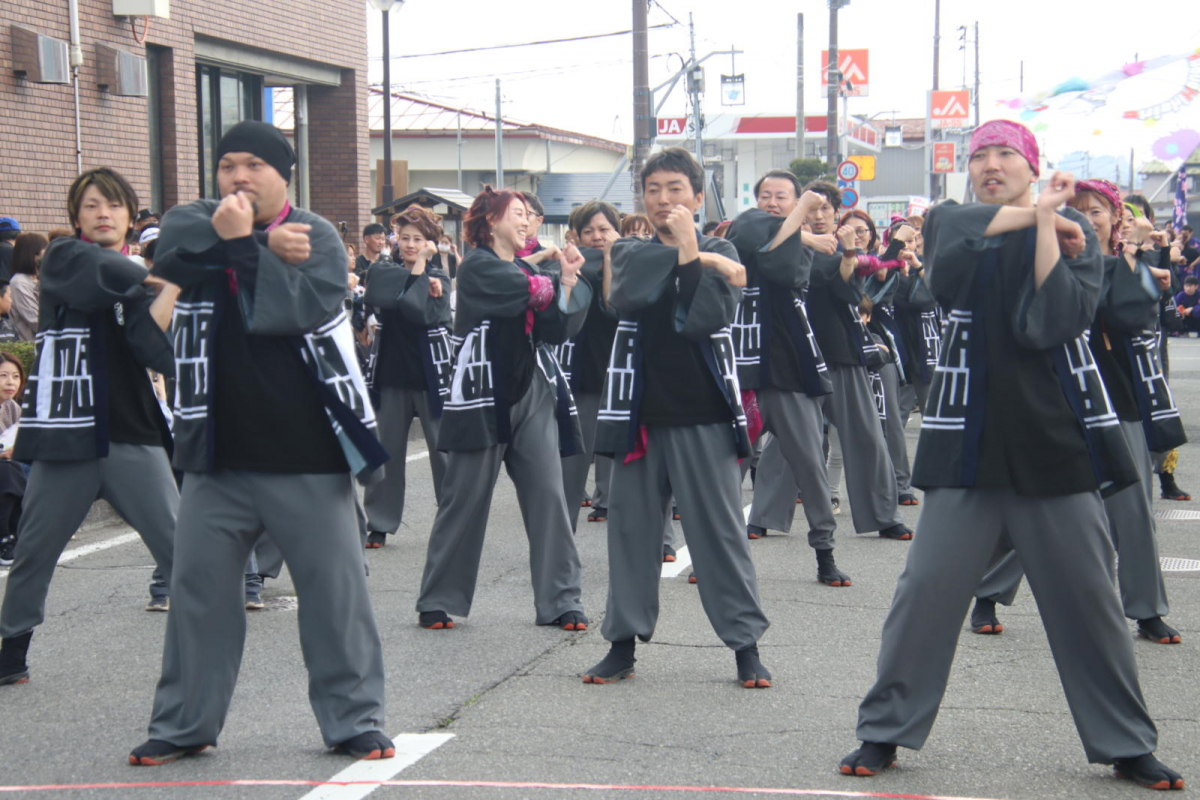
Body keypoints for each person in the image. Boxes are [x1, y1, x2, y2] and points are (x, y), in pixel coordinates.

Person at [840, 120, 1184, 792]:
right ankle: (884, 730)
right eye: (980, 156)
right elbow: (945, 261)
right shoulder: (952, 221)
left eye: (1007, 155)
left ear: (1033, 165)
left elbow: (1047, 323)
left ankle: (1125, 742)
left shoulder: (1078, 242)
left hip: (1057, 440)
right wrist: (1034, 215)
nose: (991, 164)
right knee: (925, 592)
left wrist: (1050, 234)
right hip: (966, 441)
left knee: (1089, 601)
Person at [130, 120, 393, 766]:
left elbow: (294, 311)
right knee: (198, 595)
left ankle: (354, 719)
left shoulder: (321, 237)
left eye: (253, 165)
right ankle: (185, 722)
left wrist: (241, 248)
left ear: (285, 175)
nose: (238, 177)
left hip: (306, 450)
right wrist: (249, 241)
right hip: (213, 455)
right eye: (227, 165)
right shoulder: (200, 220)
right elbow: (170, 250)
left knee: (334, 594)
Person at [583, 147, 771, 689]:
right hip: (638, 415)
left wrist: (697, 250)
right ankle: (621, 645)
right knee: (631, 533)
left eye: (674, 189)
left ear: (695, 193)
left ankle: (745, 648)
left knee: (718, 534)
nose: (663, 199)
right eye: (653, 190)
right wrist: (703, 263)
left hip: (703, 415)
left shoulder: (721, 243)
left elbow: (705, 318)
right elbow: (627, 296)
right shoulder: (633, 250)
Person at [0, 167, 178, 687]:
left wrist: (170, 291)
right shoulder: (63, 258)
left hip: (131, 431)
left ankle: (205, 638)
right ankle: (12, 652)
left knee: (178, 546)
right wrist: (158, 274)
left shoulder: (136, 278)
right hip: (67, 433)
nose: (104, 213)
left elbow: (153, 350)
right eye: (92, 205)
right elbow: (102, 275)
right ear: (76, 216)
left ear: (129, 214)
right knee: (36, 547)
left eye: (114, 205)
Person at [415, 186, 590, 632]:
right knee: (465, 497)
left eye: (531, 215)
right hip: (481, 390)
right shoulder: (476, 264)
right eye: (517, 213)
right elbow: (520, 289)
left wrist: (568, 282)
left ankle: (561, 600)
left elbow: (557, 326)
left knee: (548, 494)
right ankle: (438, 598)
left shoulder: (524, 266)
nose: (527, 221)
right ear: (491, 220)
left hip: (532, 387)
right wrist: (556, 281)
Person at [725, 170, 850, 585]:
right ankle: (718, 554)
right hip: (742, 366)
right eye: (766, 195)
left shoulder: (803, 248)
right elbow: (751, 238)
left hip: (790, 368)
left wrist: (802, 237)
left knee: (810, 465)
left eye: (783, 196)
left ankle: (825, 553)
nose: (772, 201)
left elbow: (781, 267)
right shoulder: (743, 226)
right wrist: (804, 227)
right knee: (727, 466)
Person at [801, 181, 913, 541]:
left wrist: (858, 254)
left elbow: (854, 292)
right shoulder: (791, 244)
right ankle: (762, 515)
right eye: (812, 208)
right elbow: (823, 277)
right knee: (781, 440)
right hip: (797, 351)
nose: (818, 216)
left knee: (866, 436)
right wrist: (849, 257)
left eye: (825, 209)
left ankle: (884, 516)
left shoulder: (841, 249)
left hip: (842, 348)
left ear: (836, 213)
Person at [362, 204, 452, 548]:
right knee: (387, 449)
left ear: (431, 242)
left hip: (432, 374)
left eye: (418, 239)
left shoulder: (441, 278)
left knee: (443, 451)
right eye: (403, 237)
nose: (409, 244)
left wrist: (418, 279)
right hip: (391, 371)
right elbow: (379, 295)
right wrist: (416, 278)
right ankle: (379, 522)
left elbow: (419, 311)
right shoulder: (383, 270)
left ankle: (453, 518)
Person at [554, 200, 622, 529]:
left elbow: (615, 307)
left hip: (618, 367)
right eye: (589, 231)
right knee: (575, 451)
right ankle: (562, 524)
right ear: (576, 236)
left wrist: (610, 258)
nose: (597, 236)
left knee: (615, 446)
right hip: (578, 369)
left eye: (605, 229)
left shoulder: (628, 263)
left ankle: (608, 500)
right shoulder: (569, 266)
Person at [0, 353, 26, 567]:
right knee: (9, 471)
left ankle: (25, 535)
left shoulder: (11, 407)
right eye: (4, 376)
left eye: (16, 376)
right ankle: (5, 539)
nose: (11, 382)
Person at [7, 233, 43, 342]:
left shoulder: (36, 279)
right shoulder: (19, 282)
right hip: (31, 345)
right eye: (44, 252)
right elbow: (35, 320)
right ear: (33, 255)